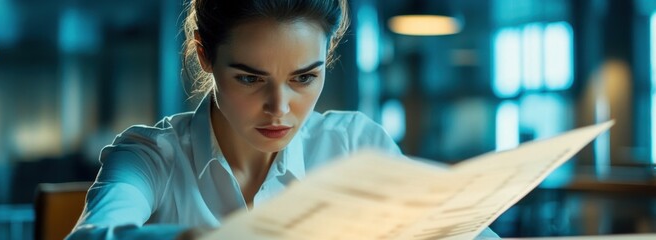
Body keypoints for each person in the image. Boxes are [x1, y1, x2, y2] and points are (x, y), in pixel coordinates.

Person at [67, 0, 500, 239]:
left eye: (304, 78)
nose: (279, 107)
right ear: (205, 56)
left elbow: (464, 230)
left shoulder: (354, 145)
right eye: (250, 78)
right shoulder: (149, 156)